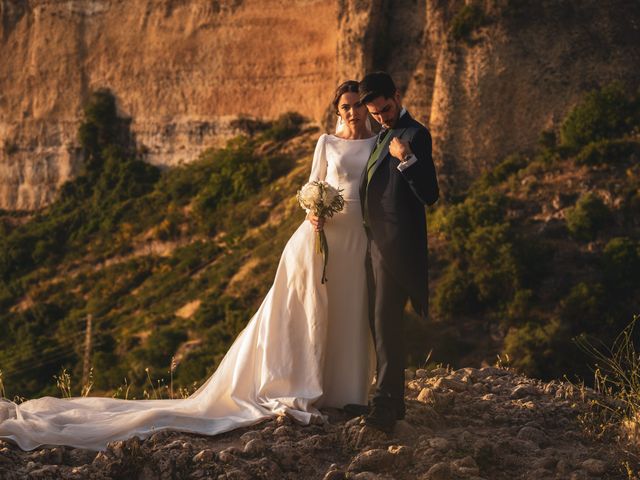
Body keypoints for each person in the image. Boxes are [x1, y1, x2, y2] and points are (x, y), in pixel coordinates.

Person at [0, 81, 376, 452]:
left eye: (358, 104)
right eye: (346, 106)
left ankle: (344, 390)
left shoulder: (377, 143)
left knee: (348, 308)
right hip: (318, 238)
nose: (353, 111)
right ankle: (302, 383)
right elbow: (311, 187)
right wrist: (312, 213)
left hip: (357, 237)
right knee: (310, 310)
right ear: (337, 110)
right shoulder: (326, 142)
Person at [346, 71, 439, 433]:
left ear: (396, 96)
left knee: (386, 323)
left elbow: (430, 194)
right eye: (375, 113)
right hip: (372, 246)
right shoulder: (379, 136)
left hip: (396, 249)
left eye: (385, 109)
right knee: (377, 322)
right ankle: (392, 401)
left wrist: (408, 159)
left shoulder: (415, 135)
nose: (382, 117)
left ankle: (385, 405)